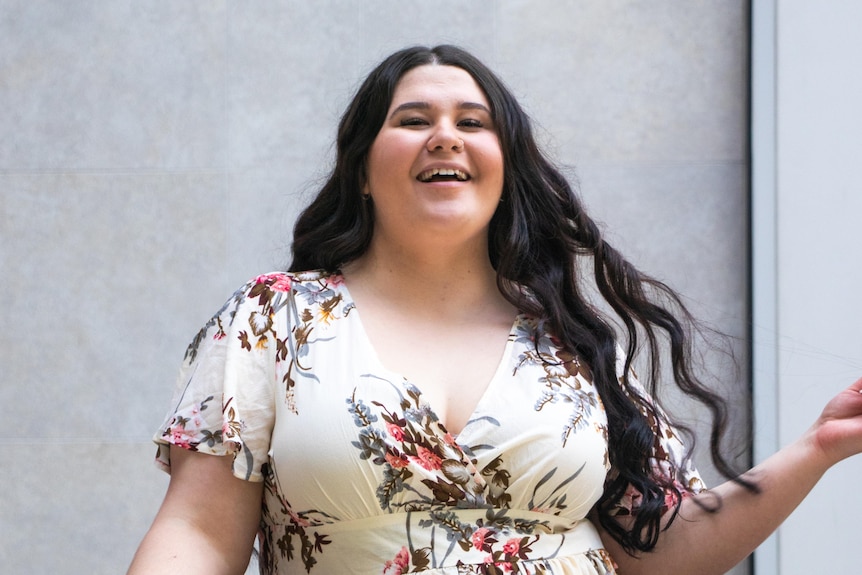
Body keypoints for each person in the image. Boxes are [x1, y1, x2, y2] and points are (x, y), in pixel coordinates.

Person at [127, 45, 862, 575]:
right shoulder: (271, 323)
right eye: (413, 119)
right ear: (363, 171)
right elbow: (197, 532)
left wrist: (819, 448)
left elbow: (661, 550)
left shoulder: (576, 346)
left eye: (472, 123)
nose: (445, 133)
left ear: (504, 169)